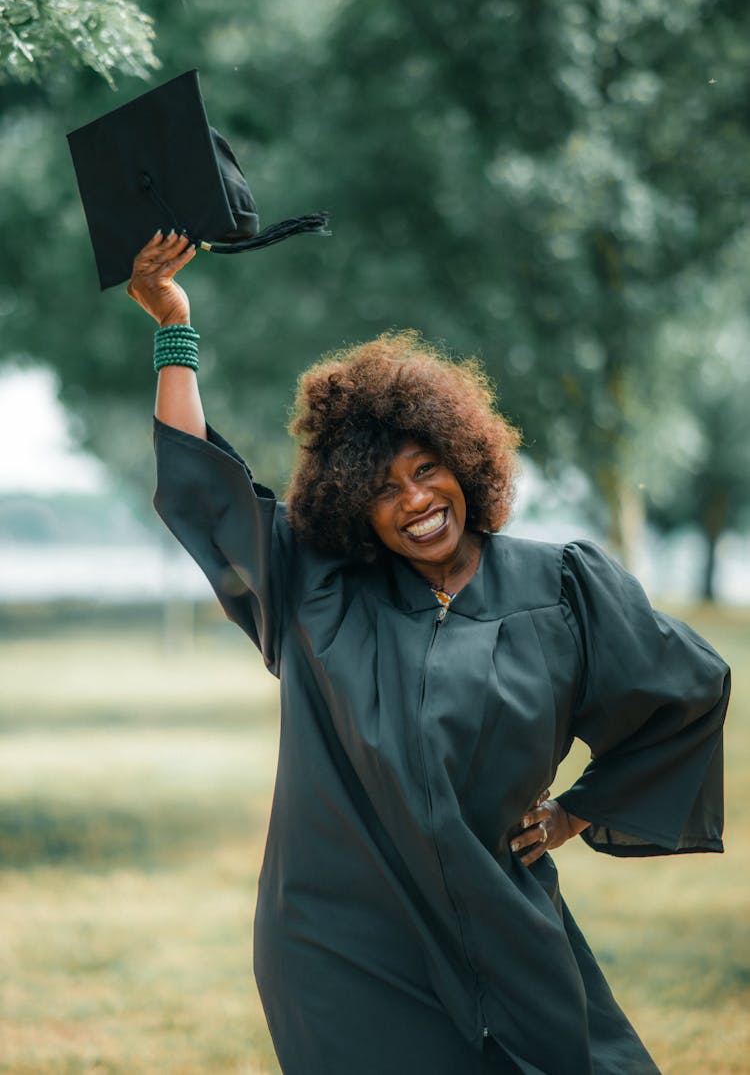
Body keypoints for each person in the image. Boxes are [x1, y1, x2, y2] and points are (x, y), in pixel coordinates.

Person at [128, 231, 730, 1075]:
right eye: (382, 488)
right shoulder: (321, 592)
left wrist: (575, 812)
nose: (414, 499)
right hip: (342, 945)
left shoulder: (558, 587)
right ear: (351, 506)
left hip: (502, 923)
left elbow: (688, 693)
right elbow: (203, 491)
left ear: (463, 456)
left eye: (426, 468)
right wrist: (175, 327)